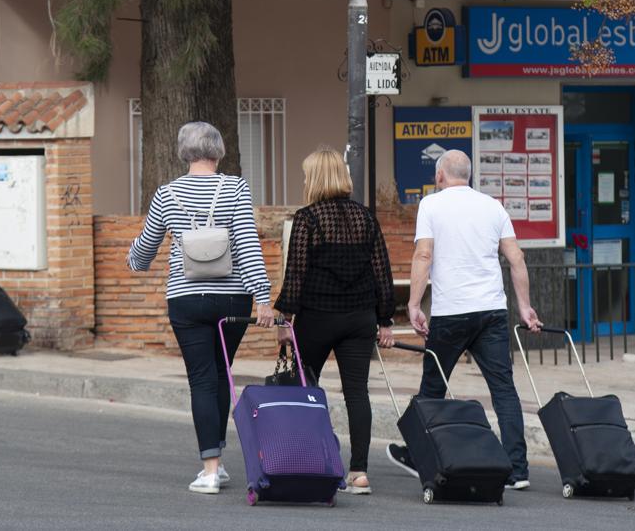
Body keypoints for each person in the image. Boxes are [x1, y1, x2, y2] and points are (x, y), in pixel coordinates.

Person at [127, 122, 273, 495]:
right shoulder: (235, 187)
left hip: (186, 298)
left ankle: (210, 468)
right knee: (222, 373)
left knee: (202, 378)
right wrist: (263, 296)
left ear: (183, 151)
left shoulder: (167, 194)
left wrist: (135, 261)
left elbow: (146, 247)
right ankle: (218, 463)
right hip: (232, 297)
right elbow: (246, 243)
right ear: (219, 150)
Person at [387, 149, 542, 490]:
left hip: (452, 311)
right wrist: (525, 307)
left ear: (440, 175)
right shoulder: (493, 206)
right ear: (468, 176)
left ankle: (416, 455)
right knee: (503, 389)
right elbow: (516, 259)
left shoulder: (431, 205)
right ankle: (518, 469)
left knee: (432, 387)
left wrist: (413, 304)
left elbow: (423, 254)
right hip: (491, 311)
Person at [274, 149, 395, 495]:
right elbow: (382, 273)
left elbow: (295, 274)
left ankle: (308, 459)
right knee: (357, 393)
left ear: (314, 179)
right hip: (359, 319)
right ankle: (359, 473)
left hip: (316, 317)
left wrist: (285, 319)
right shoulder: (366, 218)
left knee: (303, 389)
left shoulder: (308, 218)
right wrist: (384, 320)